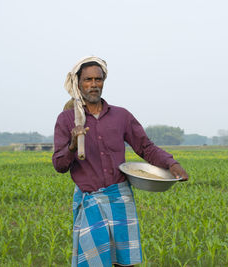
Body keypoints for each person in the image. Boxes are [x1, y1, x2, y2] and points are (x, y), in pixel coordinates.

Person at [52, 56, 188, 267]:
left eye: (98, 79)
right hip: (91, 201)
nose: (94, 84)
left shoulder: (121, 116)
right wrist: (72, 144)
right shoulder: (67, 120)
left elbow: (145, 147)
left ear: (104, 81)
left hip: (120, 198)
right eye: (88, 80)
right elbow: (59, 165)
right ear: (78, 83)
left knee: (125, 263)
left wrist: (171, 164)